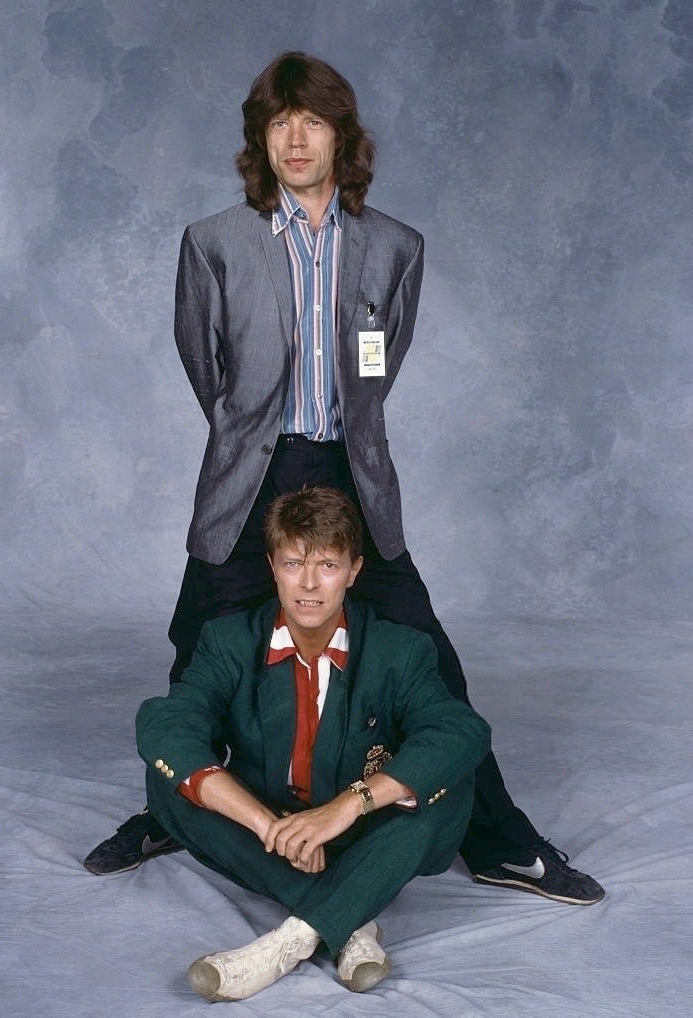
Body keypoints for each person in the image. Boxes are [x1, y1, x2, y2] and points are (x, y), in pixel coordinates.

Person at [84, 50, 603, 906]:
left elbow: (377, 368)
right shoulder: (213, 242)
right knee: (198, 651)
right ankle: (169, 811)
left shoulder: (397, 247)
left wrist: (333, 443)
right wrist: (255, 433)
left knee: (432, 657)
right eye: (278, 122)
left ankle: (500, 840)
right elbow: (207, 372)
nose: (295, 139)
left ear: (341, 136)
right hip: (251, 473)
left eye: (313, 121)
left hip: (352, 472)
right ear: (260, 138)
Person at [138, 487, 490, 1000]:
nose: (308, 584)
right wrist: (267, 825)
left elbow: (461, 730)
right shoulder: (228, 641)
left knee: (446, 784)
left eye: (327, 565)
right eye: (292, 563)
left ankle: (287, 943)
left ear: (353, 571)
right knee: (166, 776)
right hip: (274, 830)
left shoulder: (400, 650)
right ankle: (349, 919)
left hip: (366, 831)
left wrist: (349, 806)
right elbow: (167, 723)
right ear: (272, 567)